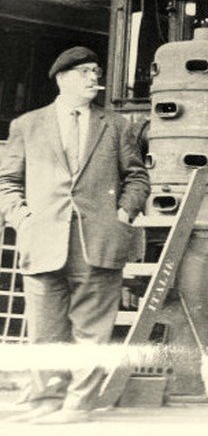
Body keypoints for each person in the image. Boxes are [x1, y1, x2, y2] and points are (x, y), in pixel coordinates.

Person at [0, 46, 150, 424]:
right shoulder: (28, 125)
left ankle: (78, 404)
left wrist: (124, 212)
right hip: (43, 238)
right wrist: (23, 218)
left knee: (91, 329)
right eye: (85, 72)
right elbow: (7, 181)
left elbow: (137, 176)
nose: (94, 78)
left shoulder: (116, 126)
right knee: (45, 331)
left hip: (97, 240)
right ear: (62, 78)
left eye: (96, 71)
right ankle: (47, 398)